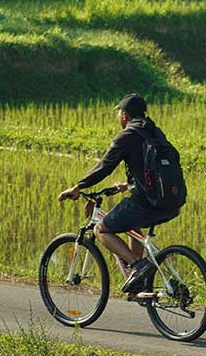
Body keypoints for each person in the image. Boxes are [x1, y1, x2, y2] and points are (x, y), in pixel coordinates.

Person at [59, 94, 186, 297]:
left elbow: (104, 167)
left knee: (101, 229)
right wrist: (129, 185)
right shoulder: (154, 132)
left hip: (146, 203)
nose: (118, 116)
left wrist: (78, 187)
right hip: (171, 202)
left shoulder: (128, 135)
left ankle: (138, 265)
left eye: (119, 112)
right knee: (132, 225)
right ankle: (141, 284)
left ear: (125, 115)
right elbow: (154, 169)